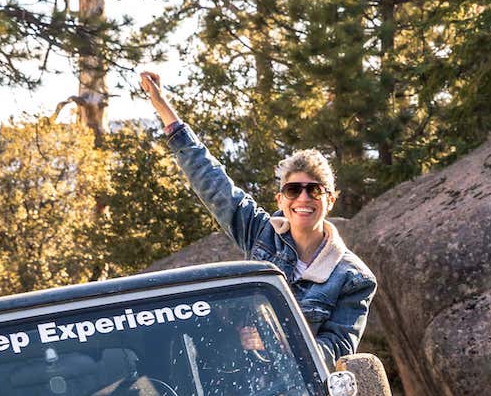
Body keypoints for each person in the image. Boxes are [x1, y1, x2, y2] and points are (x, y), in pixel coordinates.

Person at [140, 70, 377, 366]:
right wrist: (163, 107)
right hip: (242, 391)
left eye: (314, 191)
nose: (303, 198)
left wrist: (279, 342)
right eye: (293, 190)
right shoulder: (260, 234)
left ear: (330, 200)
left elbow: (339, 351)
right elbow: (212, 182)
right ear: (281, 199)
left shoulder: (353, 278)